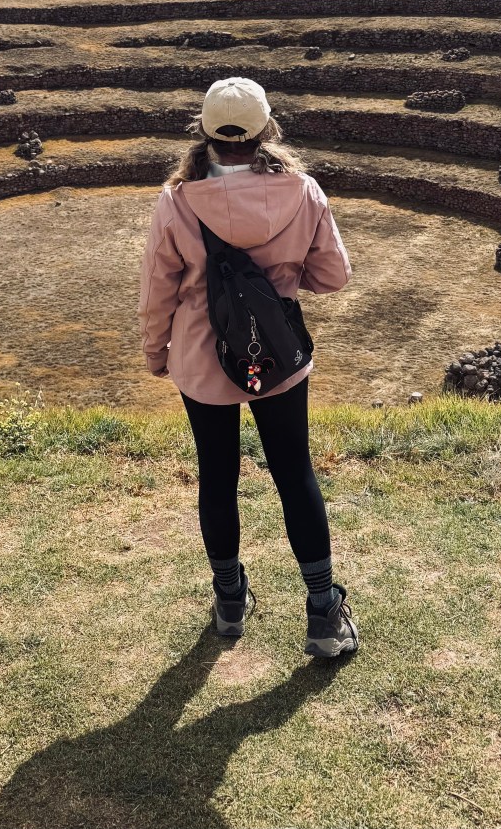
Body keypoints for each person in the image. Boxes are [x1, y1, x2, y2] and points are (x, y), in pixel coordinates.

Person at [138, 76, 358, 659]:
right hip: (276, 356)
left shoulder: (177, 200)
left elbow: (157, 290)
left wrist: (157, 352)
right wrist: (278, 283)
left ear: (205, 134)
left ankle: (230, 602)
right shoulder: (303, 191)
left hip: (201, 357)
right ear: (266, 131)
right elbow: (334, 275)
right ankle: (322, 613)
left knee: (217, 475)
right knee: (294, 472)